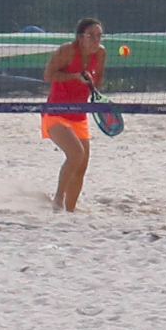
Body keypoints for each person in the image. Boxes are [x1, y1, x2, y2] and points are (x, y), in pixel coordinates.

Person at [40, 18, 108, 212]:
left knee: (82, 165)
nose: (96, 40)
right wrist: (74, 77)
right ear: (80, 37)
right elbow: (48, 75)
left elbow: (98, 78)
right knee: (76, 154)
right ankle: (58, 199)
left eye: (99, 36)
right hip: (56, 112)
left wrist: (93, 88)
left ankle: (70, 211)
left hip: (80, 113)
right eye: (91, 36)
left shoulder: (101, 53)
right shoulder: (68, 51)